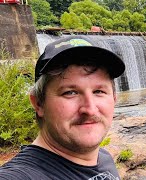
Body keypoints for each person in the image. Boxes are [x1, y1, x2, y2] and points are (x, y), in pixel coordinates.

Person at [0, 35, 125, 180]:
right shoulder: (21, 175)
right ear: (39, 103)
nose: (90, 109)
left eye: (99, 91)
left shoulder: (103, 158)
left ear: (114, 98)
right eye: (70, 93)